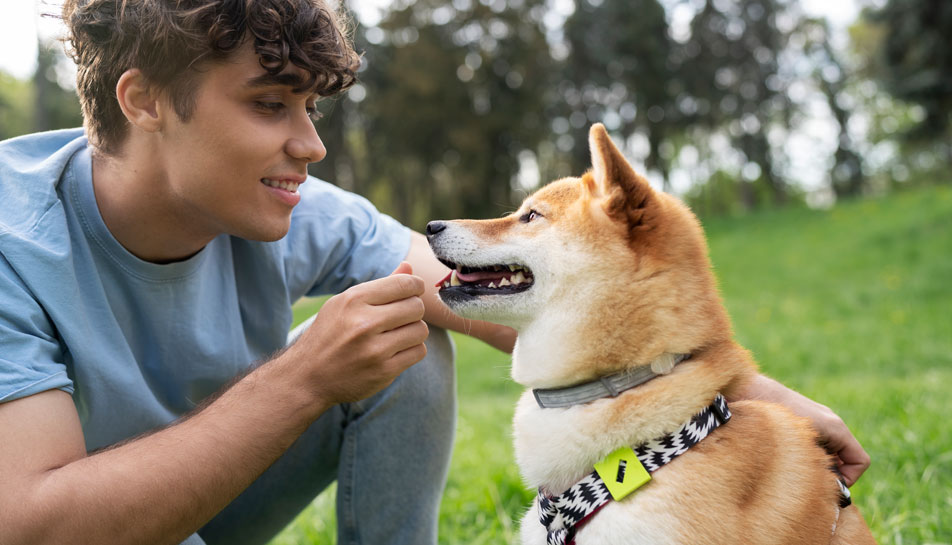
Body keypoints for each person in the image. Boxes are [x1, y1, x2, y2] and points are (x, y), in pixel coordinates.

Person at [0, 1, 869, 544]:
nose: (311, 144)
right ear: (143, 100)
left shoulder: (294, 208)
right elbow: (34, 523)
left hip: (200, 503)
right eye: (270, 104)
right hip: (78, 527)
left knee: (403, 332)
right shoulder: (13, 241)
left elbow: (489, 295)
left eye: (310, 107)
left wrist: (754, 392)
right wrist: (303, 378)